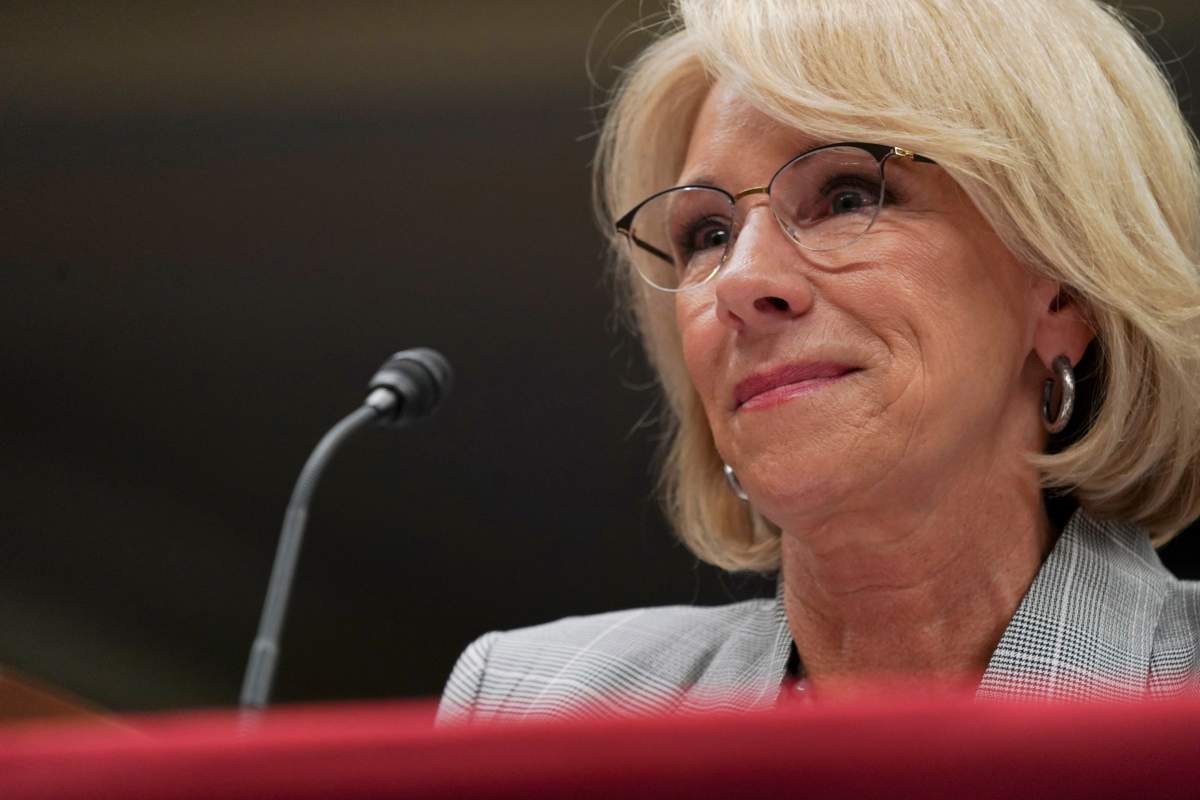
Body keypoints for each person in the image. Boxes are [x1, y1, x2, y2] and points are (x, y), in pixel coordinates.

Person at [438, 0, 1200, 723]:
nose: (739, 281)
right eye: (706, 233)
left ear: (1061, 291)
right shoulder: (530, 701)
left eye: (843, 196)